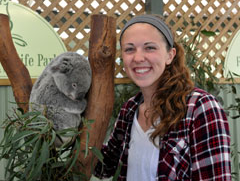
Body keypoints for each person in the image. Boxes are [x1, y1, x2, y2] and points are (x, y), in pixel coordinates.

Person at [93, 14, 231, 181]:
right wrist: (70, 135)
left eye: (150, 47)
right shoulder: (129, 109)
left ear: (170, 55)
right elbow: (106, 166)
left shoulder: (200, 107)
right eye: (129, 49)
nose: (138, 58)